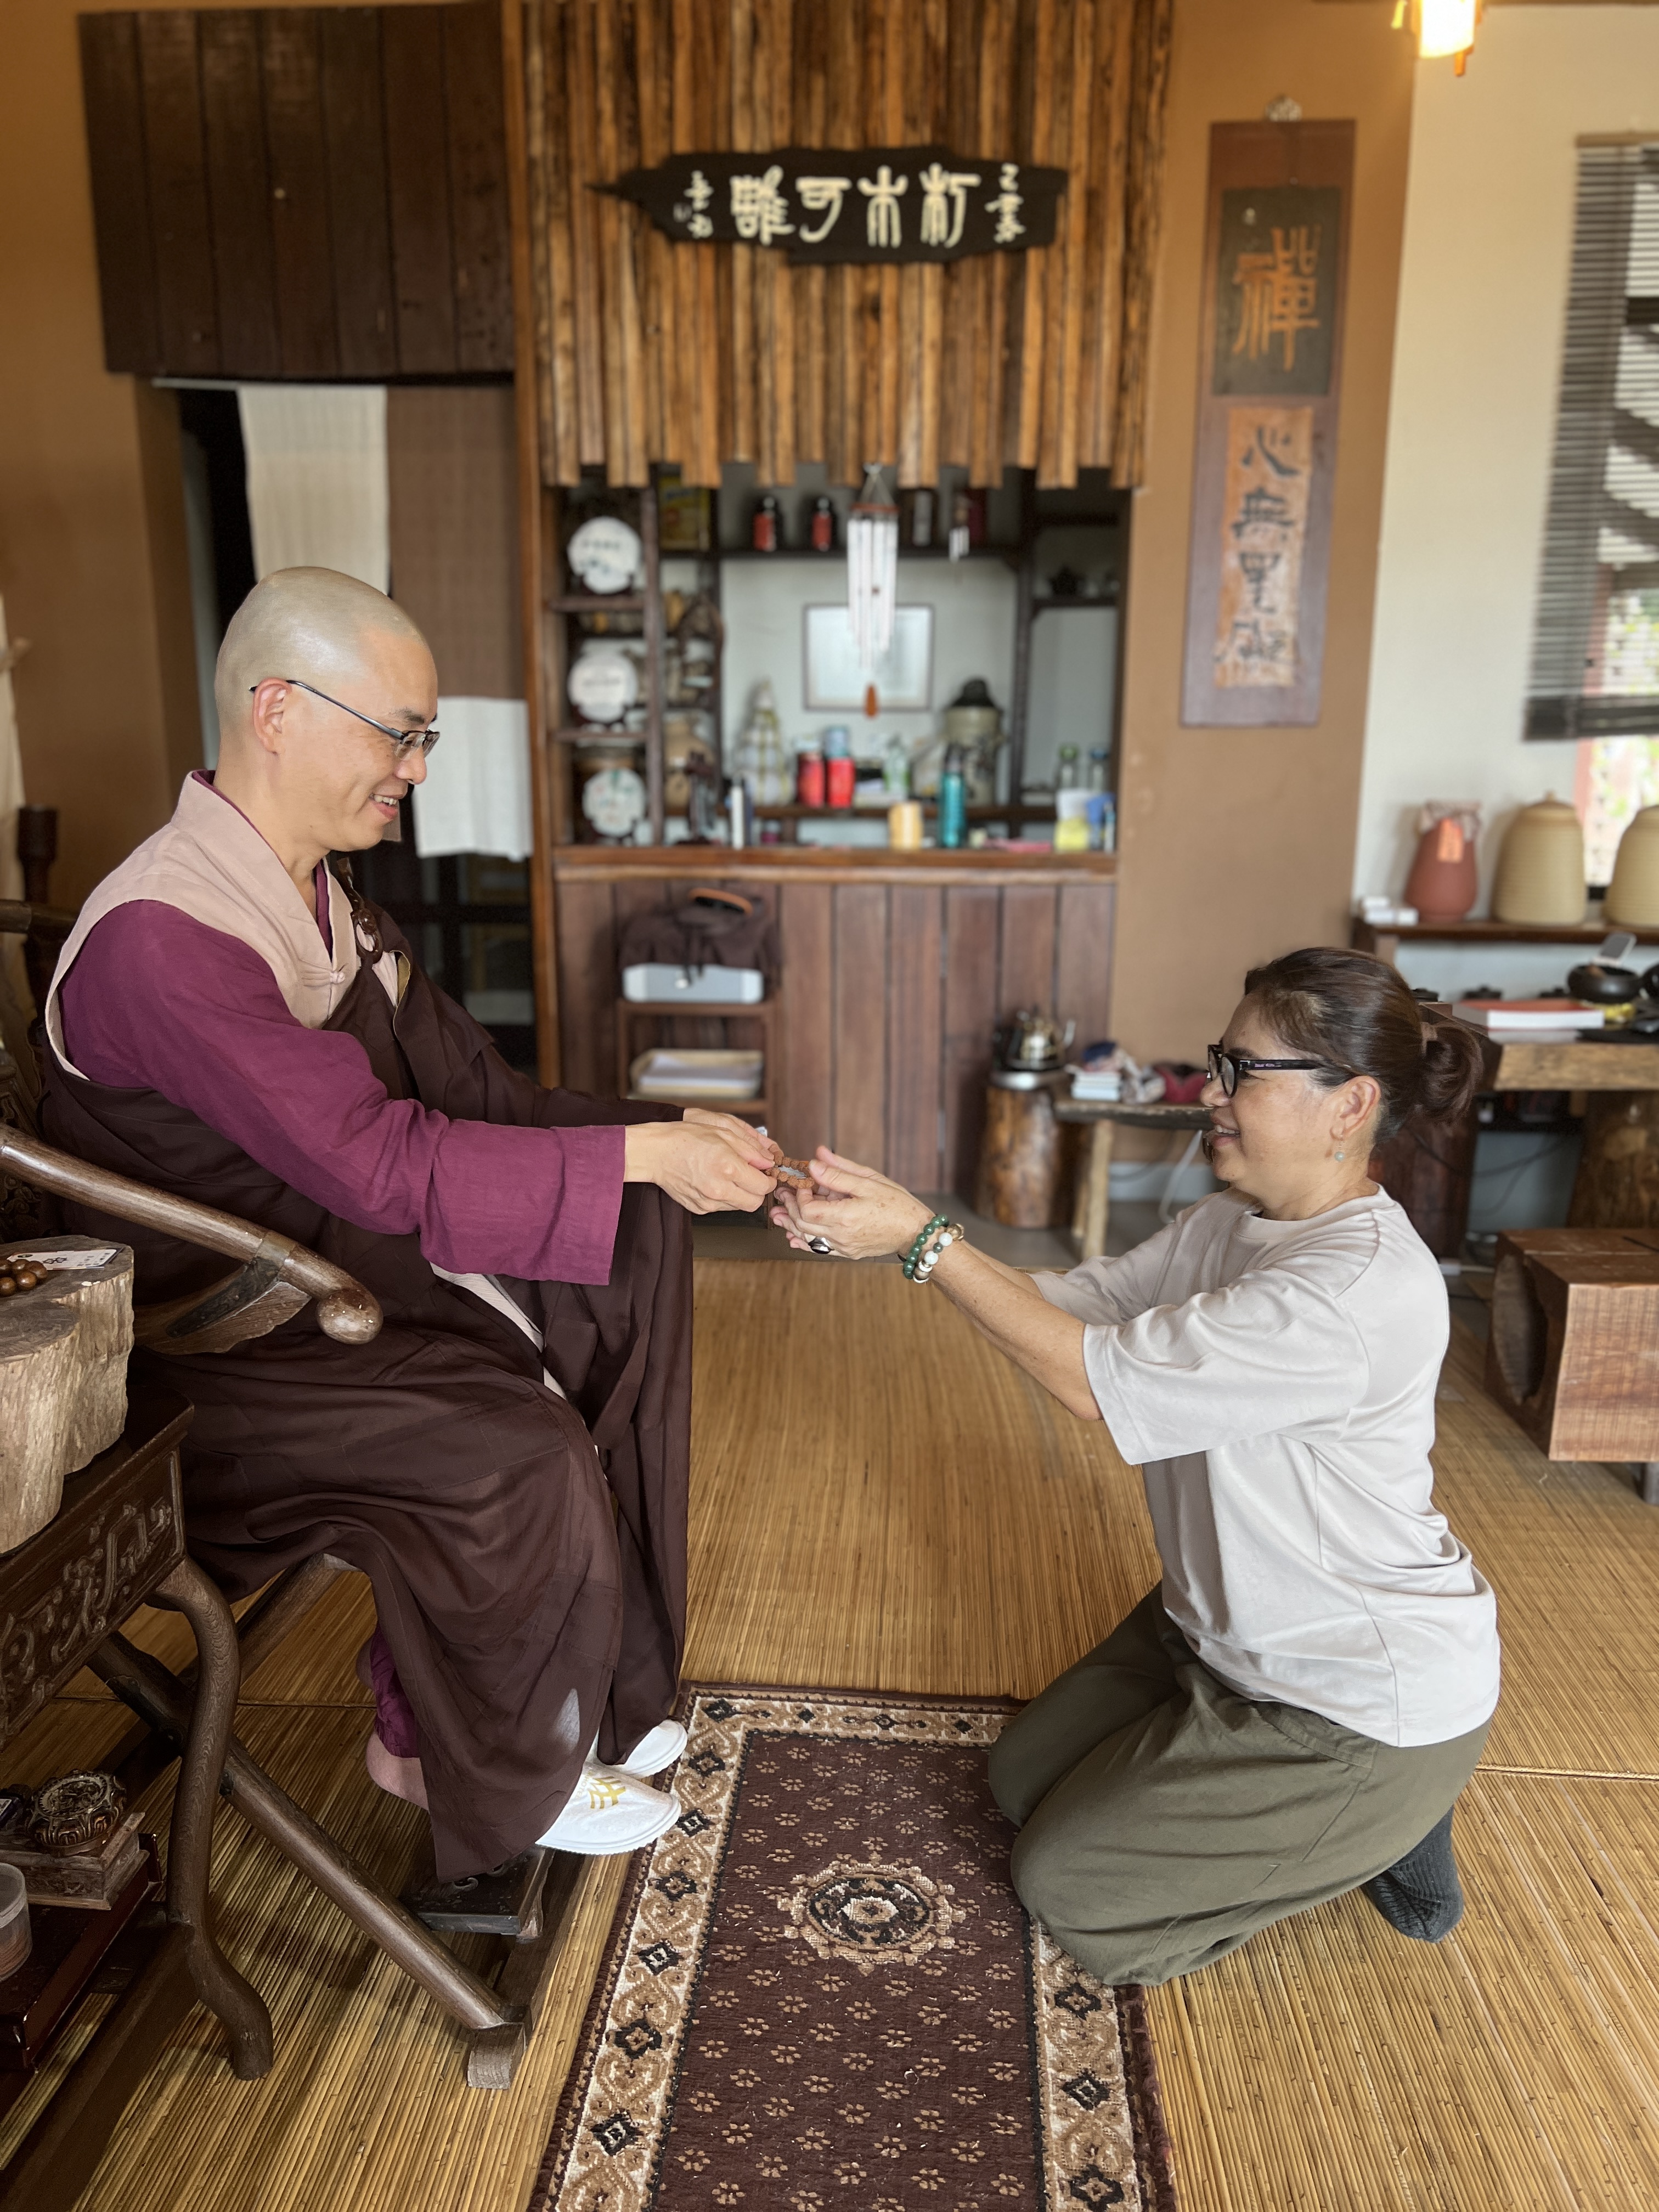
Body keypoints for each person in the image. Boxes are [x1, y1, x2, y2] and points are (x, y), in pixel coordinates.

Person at [42, 567, 781, 1880]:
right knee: (512, 1443)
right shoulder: (165, 938)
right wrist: (638, 1151)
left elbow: (482, 1097)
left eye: (423, 738)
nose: (418, 771)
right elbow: (375, 1160)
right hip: (225, 1357)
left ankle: (602, 1686)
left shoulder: (328, 899)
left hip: (333, 1280)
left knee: (635, 1243)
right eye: (400, 734)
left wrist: (675, 1143)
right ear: (277, 711)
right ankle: (468, 1758)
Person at [771, 948, 1498, 1987]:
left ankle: (1381, 1822)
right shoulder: (1229, 1221)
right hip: (1215, 1632)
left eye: (1245, 1071)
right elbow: (1079, 1308)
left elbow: (1089, 1380)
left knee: (1069, 1885)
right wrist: (888, 1240)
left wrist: (926, 1238)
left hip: (1352, 1694)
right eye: (1219, 1061)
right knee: (1021, 1781)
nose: (1210, 1092)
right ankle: (1309, 1812)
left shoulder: (1352, 1291)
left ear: (1351, 1105)